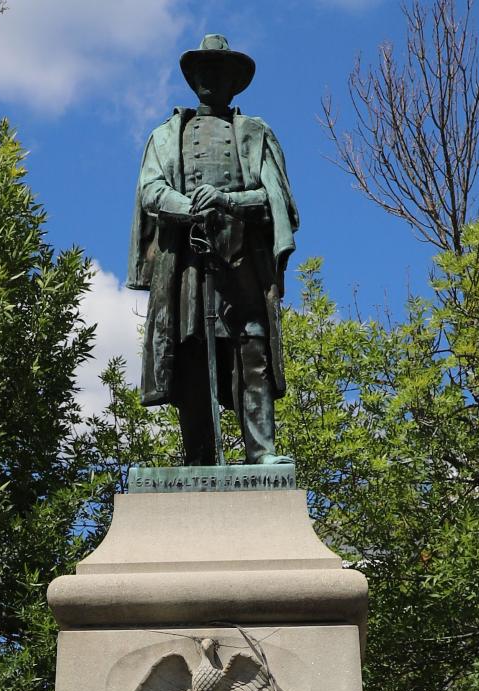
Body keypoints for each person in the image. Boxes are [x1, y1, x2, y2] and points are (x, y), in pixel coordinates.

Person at [127, 34, 299, 466]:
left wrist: (227, 201)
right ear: (192, 78)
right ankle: (200, 459)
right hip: (185, 263)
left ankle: (261, 451)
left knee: (251, 348)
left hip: (241, 262)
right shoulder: (165, 136)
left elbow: (276, 201)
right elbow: (150, 191)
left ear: (233, 82)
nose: (209, 79)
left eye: (218, 71)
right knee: (189, 353)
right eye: (202, 71)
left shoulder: (256, 134)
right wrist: (188, 209)